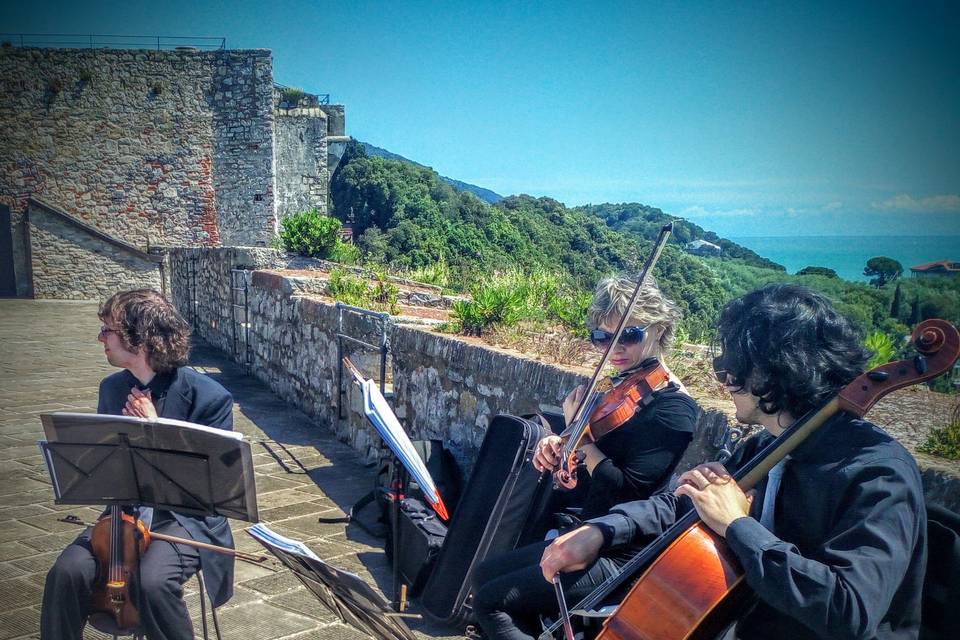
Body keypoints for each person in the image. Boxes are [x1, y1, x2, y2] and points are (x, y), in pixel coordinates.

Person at [541, 283, 927, 640]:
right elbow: (679, 504)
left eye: (733, 367)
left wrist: (737, 525)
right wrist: (602, 531)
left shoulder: (878, 474)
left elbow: (850, 611)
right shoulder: (766, 446)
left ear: (779, 370)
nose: (724, 381)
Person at [472, 274, 700, 639]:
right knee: (484, 574)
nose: (615, 348)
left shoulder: (675, 409)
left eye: (629, 334)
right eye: (603, 338)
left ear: (658, 329)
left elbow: (627, 491)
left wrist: (583, 443)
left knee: (491, 601)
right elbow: (589, 461)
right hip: (586, 531)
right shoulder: (620, 388)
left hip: (620, 551)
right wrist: (562, 441)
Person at [41, 289, 236, 640]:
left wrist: (155, 430)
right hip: (125, 514)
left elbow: (210, 487)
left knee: (153, 580)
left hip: (187, 519)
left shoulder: (209, 398)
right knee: (66, 573)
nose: (101, 338)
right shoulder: (112, 389)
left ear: (140, 338)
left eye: (108, 330)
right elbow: (105, 469)